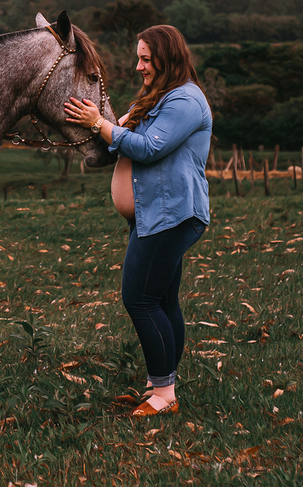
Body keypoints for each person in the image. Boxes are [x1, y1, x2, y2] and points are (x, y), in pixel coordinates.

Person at [64, 25, 211, 417]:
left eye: (146, 58)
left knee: (139, 298)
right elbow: (119, 135)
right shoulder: (156, 98)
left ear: (168, 57)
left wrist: (99, 123)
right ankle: (159, 384)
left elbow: (147, 148)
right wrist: (95, 123)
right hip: (154, 215)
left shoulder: (186, 101)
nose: (139, 66)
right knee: (162, 299)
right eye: (139, 58)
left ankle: (164, 395)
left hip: (173, 216)